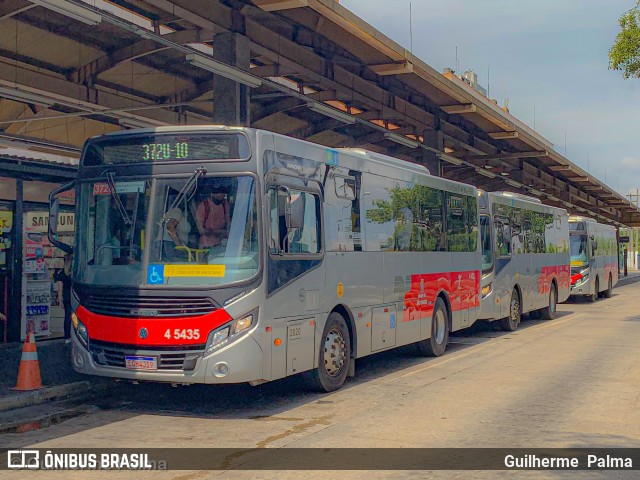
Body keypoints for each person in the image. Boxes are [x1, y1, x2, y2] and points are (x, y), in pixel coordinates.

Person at [54, 253, 72, 344]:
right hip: (75, 296)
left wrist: (60, 299)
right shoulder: (74, 273)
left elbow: (60, 288)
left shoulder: (61, 273)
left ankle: (67, 337)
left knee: (67, 317)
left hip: (66, 296)